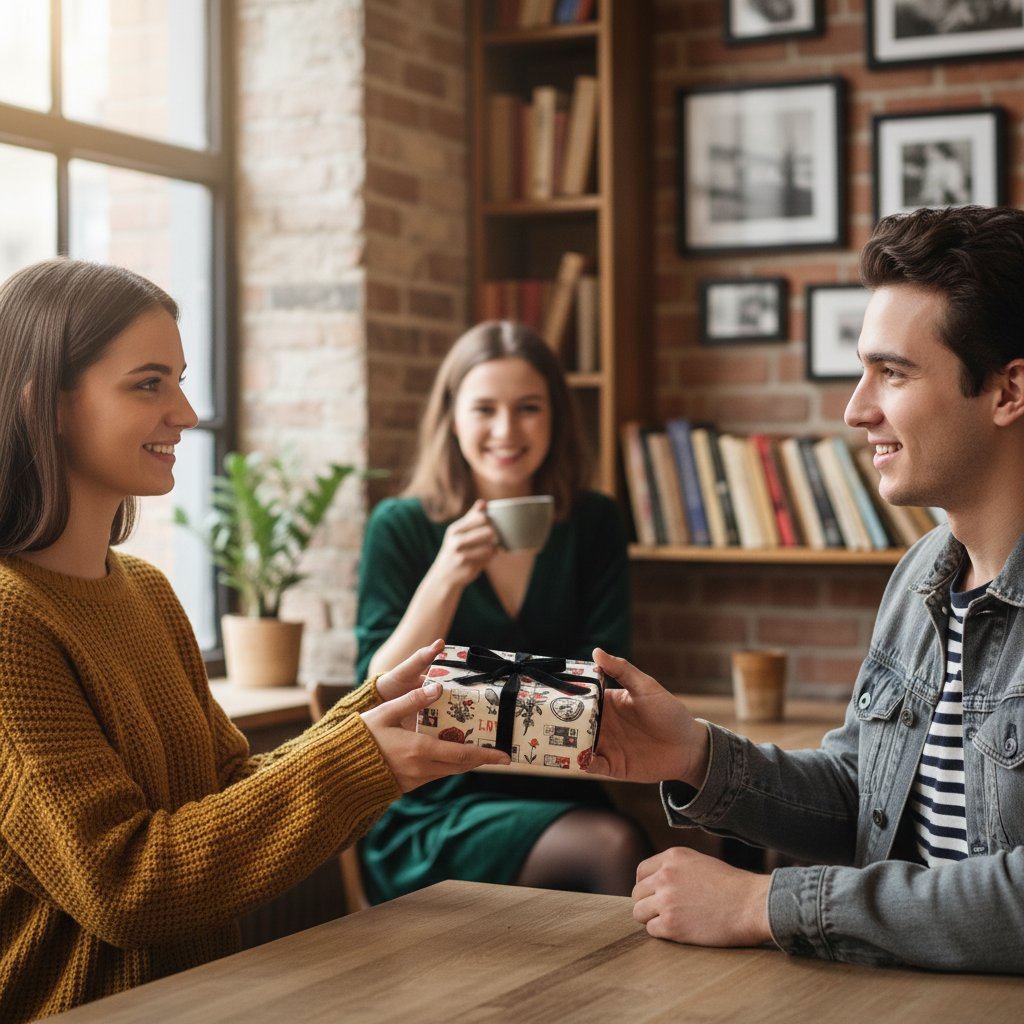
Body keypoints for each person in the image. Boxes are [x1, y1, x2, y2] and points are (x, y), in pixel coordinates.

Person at [0, 258, 511, 1023]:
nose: (186, 411)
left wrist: (371, 716)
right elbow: (125, 883)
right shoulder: (11, 622)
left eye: (179, 378)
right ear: (50, 404)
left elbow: (228, 791)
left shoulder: (145, 591)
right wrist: (359, 758)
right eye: (149, 383)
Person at [586, 204, 1024, 974]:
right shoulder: (923, 575)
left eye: (893, 372)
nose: (856, 409)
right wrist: (692, 752)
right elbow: (865, 797)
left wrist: (763, 905)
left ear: (1007, 391)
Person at [355, 320, 649, 903]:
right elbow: (379, 693)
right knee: (615, 848)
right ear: (453, 417)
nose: (506, 430)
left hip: (563, 786)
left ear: (556, 417)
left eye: (529, 408)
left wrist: (471, 694)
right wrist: (445, 577)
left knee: (680, 843)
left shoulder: (594, 521)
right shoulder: (402, 526)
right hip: (437, 796)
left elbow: (608, 677)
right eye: (484, 408)